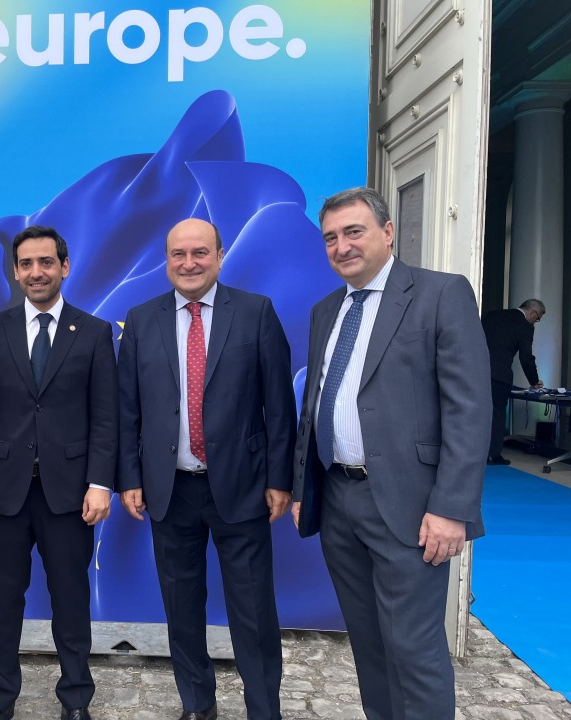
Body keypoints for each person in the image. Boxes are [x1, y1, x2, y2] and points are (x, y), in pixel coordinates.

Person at [292, 188, 491, 720]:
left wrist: (451, 507)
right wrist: (303, 486)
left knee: (415, 650)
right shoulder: (326, 310)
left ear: (387, 231)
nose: (341, 246)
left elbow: (469, 409)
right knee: (369, 644)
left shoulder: (440, 294)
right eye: (330, 238)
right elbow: (314, 405)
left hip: (411, 506)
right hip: (338, 501)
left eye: (353, 232)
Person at [116, 218, 296, 720]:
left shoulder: (256, 313)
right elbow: (126, 409)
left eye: (200, 252)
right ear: (166, 261)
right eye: (178, 254)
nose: (189, 263)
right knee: (181, 608)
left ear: (219, 256)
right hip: (168, 490)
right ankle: (198, 705)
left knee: (253, 612)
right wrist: (129, 477)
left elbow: (280, 406)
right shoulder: (141, 319)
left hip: (243, 487)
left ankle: (264, 709)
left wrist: (280, 478)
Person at [0, 225, 118, 720]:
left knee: (71, 600)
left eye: (46, 262)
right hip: (2, 492)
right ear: (15, 271)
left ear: (64, 267)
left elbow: (105, 417)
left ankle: (76, 699)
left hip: (69, 495)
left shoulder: (94, 332)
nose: (36, 272)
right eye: (26, 264)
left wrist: (100, 483)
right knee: (3, 602)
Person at [482, 299, 545, 465]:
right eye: (538, 318)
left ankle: (471, 451)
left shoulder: (492, 315)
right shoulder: (525, 327)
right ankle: (493, 455)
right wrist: (534, 381)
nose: (535, 322)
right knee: (497, 414)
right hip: (499, 375)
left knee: (476, 412)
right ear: (533, 313)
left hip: (475, 371)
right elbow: (526, 358)